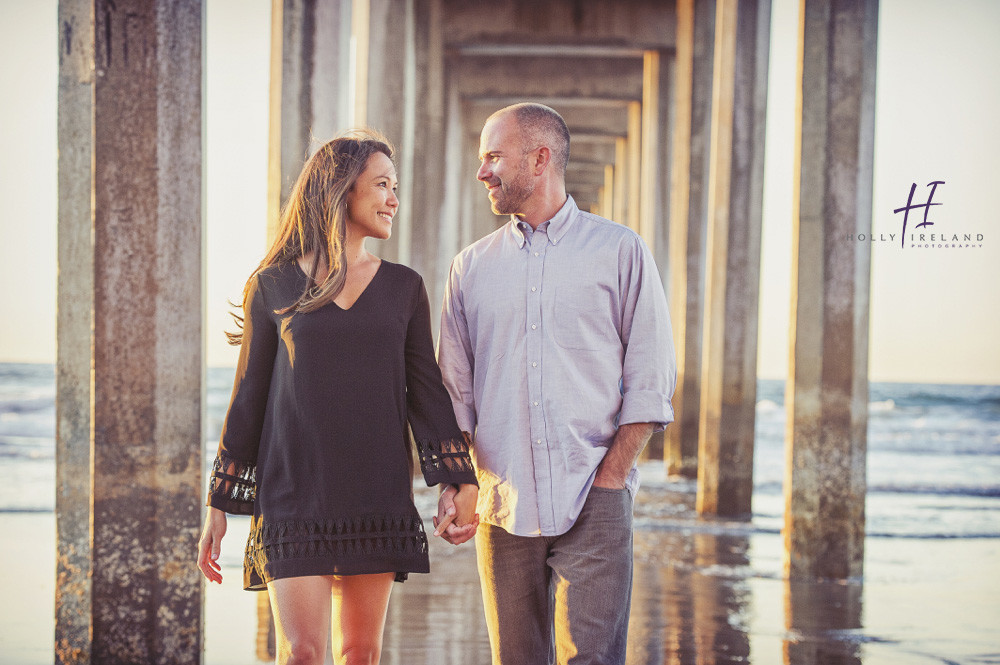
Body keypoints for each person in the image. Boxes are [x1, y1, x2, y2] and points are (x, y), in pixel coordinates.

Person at [197, 129, 479, 665]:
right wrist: (219, 502)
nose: (394, 198)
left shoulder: (404, 288)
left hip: (375, 494)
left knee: (359, 653)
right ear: (341, 190)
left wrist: (457, 479)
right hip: (292, 496)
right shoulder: (273, 285)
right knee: (302, 653)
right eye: (382, 185)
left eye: (395, 186)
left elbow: (426, 394)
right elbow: (248, 399)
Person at [437, 103, 677, 665]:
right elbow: (455, 392)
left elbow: (652, 375)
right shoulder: (469, 268)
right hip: (502, 501)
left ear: (540, 158)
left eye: (494, 156)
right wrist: (460, 481)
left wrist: (612, 476)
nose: (482, 173)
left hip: (595, 493)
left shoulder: (620, 251)